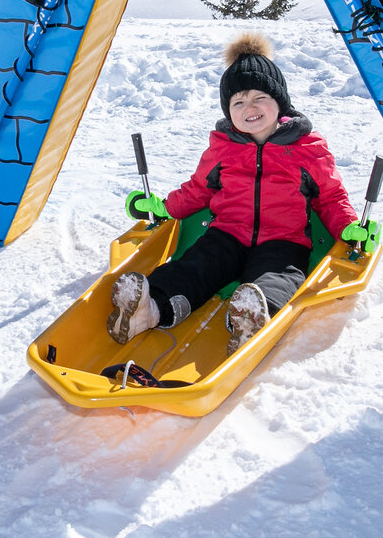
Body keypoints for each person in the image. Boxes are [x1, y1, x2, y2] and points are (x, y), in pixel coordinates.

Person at [110, 32, 364, 354]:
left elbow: (330, 197)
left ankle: (251, 321)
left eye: (259, 98)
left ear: (279, 101)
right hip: (227, 234)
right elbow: (199, 189)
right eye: (238, 102)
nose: (250, 108)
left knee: (278, 278)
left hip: (283, 240)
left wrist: (349, 227)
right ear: (229, 110)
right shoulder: (223, 147)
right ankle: (149, 310)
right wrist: (165, 208)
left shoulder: (307, 148)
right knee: (196, 266)